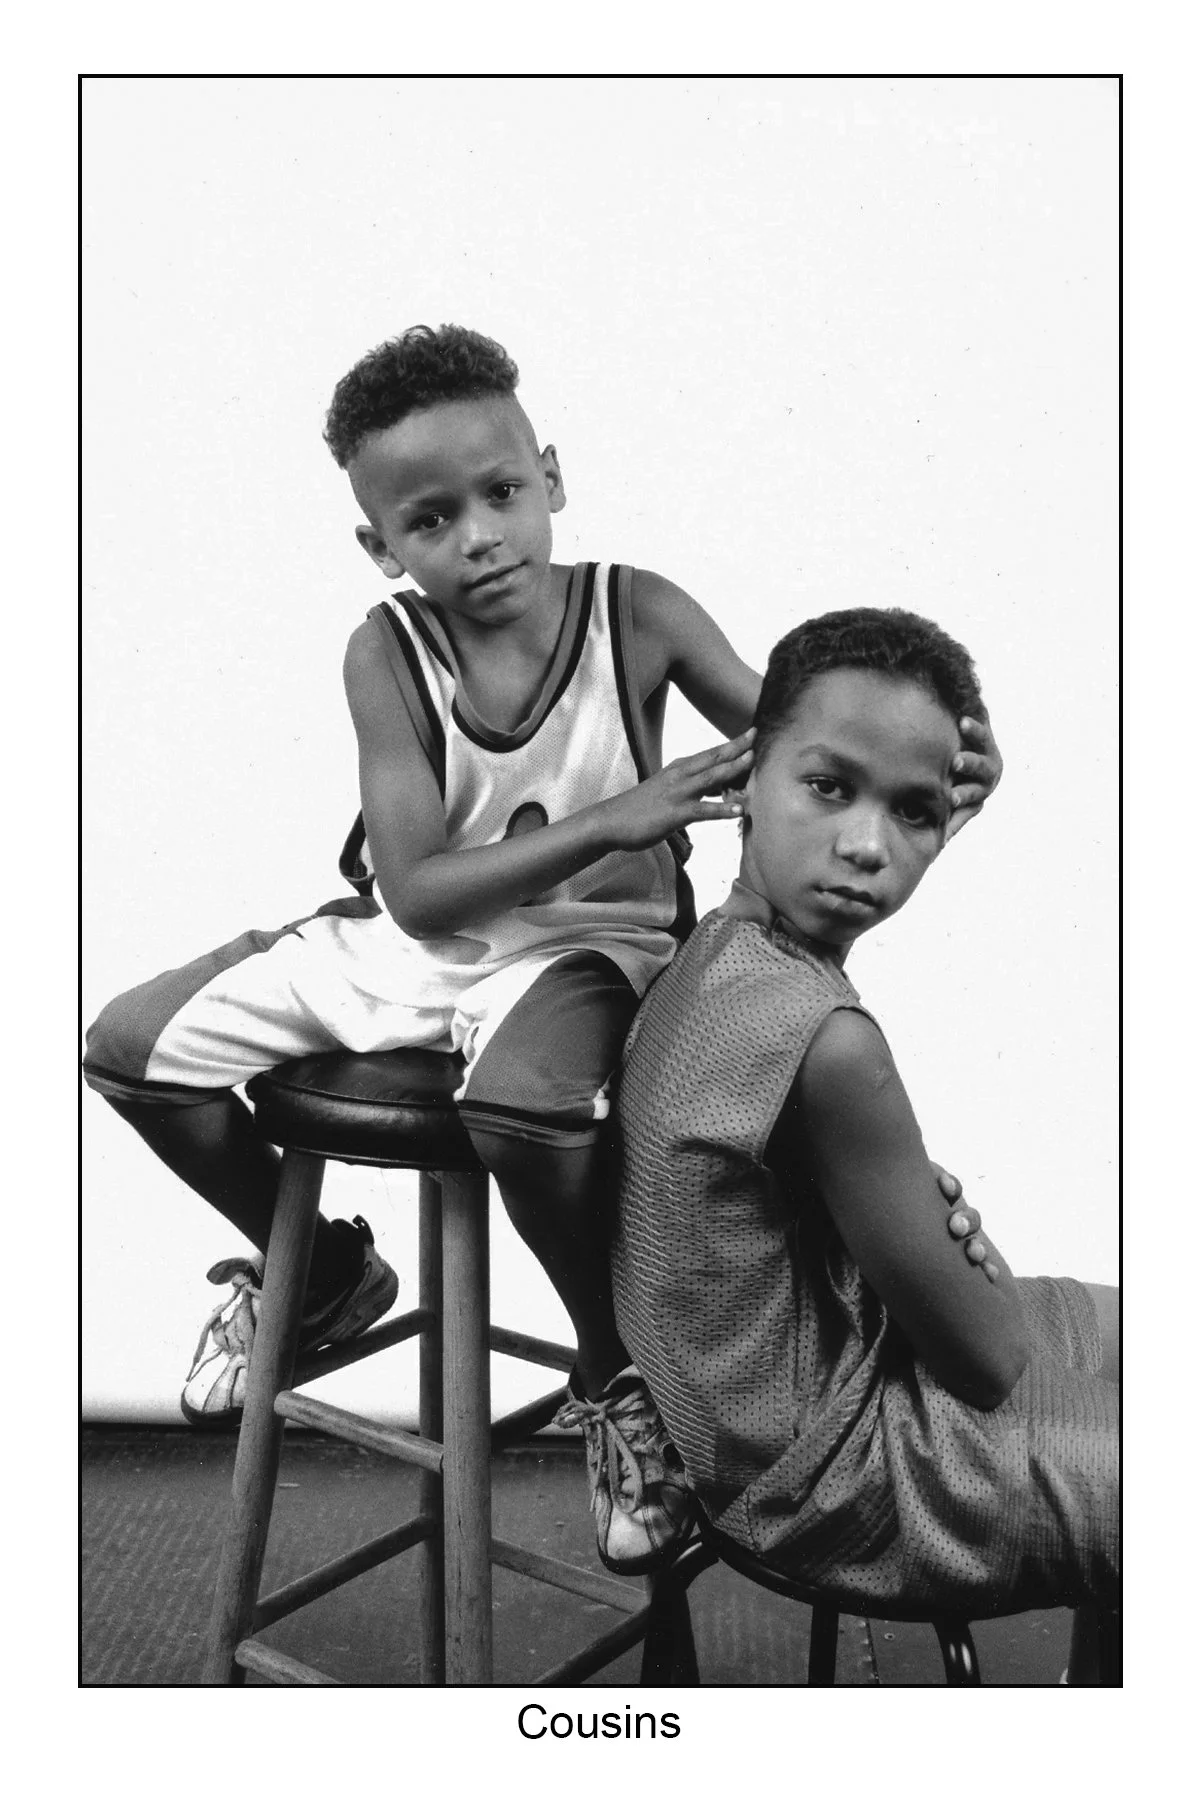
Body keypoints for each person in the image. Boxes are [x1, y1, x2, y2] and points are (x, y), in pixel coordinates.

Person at [84, 328, 1002, 1576]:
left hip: (588, 946)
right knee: (130, 1050)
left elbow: (801, 743)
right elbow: (416, 895)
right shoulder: (387, 651)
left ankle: (615, 1373)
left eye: (503, 492)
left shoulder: (638, 612)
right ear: (381, 545)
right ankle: (326, 1278)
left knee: (520, 1107)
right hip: (418, 937)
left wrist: (943, 768)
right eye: (431, 519)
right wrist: (618, 815)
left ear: (552, 477)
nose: (479, 536)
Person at [611, 606, 1117, 1676]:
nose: (867, 849)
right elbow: (987, 1360)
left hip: (772, 1397)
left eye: (915, 812)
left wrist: (922, 1237)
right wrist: (958, 1248)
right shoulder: (832, 1045)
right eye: (830, 788)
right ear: (745, 776)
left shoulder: (719, 950)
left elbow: (852, 825)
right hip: (822, 1476)